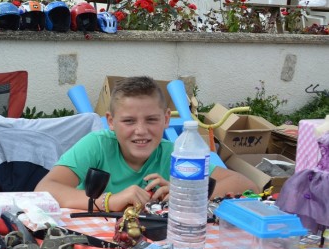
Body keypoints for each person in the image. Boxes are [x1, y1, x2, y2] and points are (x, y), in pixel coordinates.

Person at [35, 76, 258, 211]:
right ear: (111, 122)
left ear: (166, 119)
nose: (140, 131)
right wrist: (110, 201)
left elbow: (247, 186)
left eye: (151, 119)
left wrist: (187, 192)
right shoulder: (97, 145)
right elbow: (45, 189)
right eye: (129, 121)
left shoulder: (176, 154)